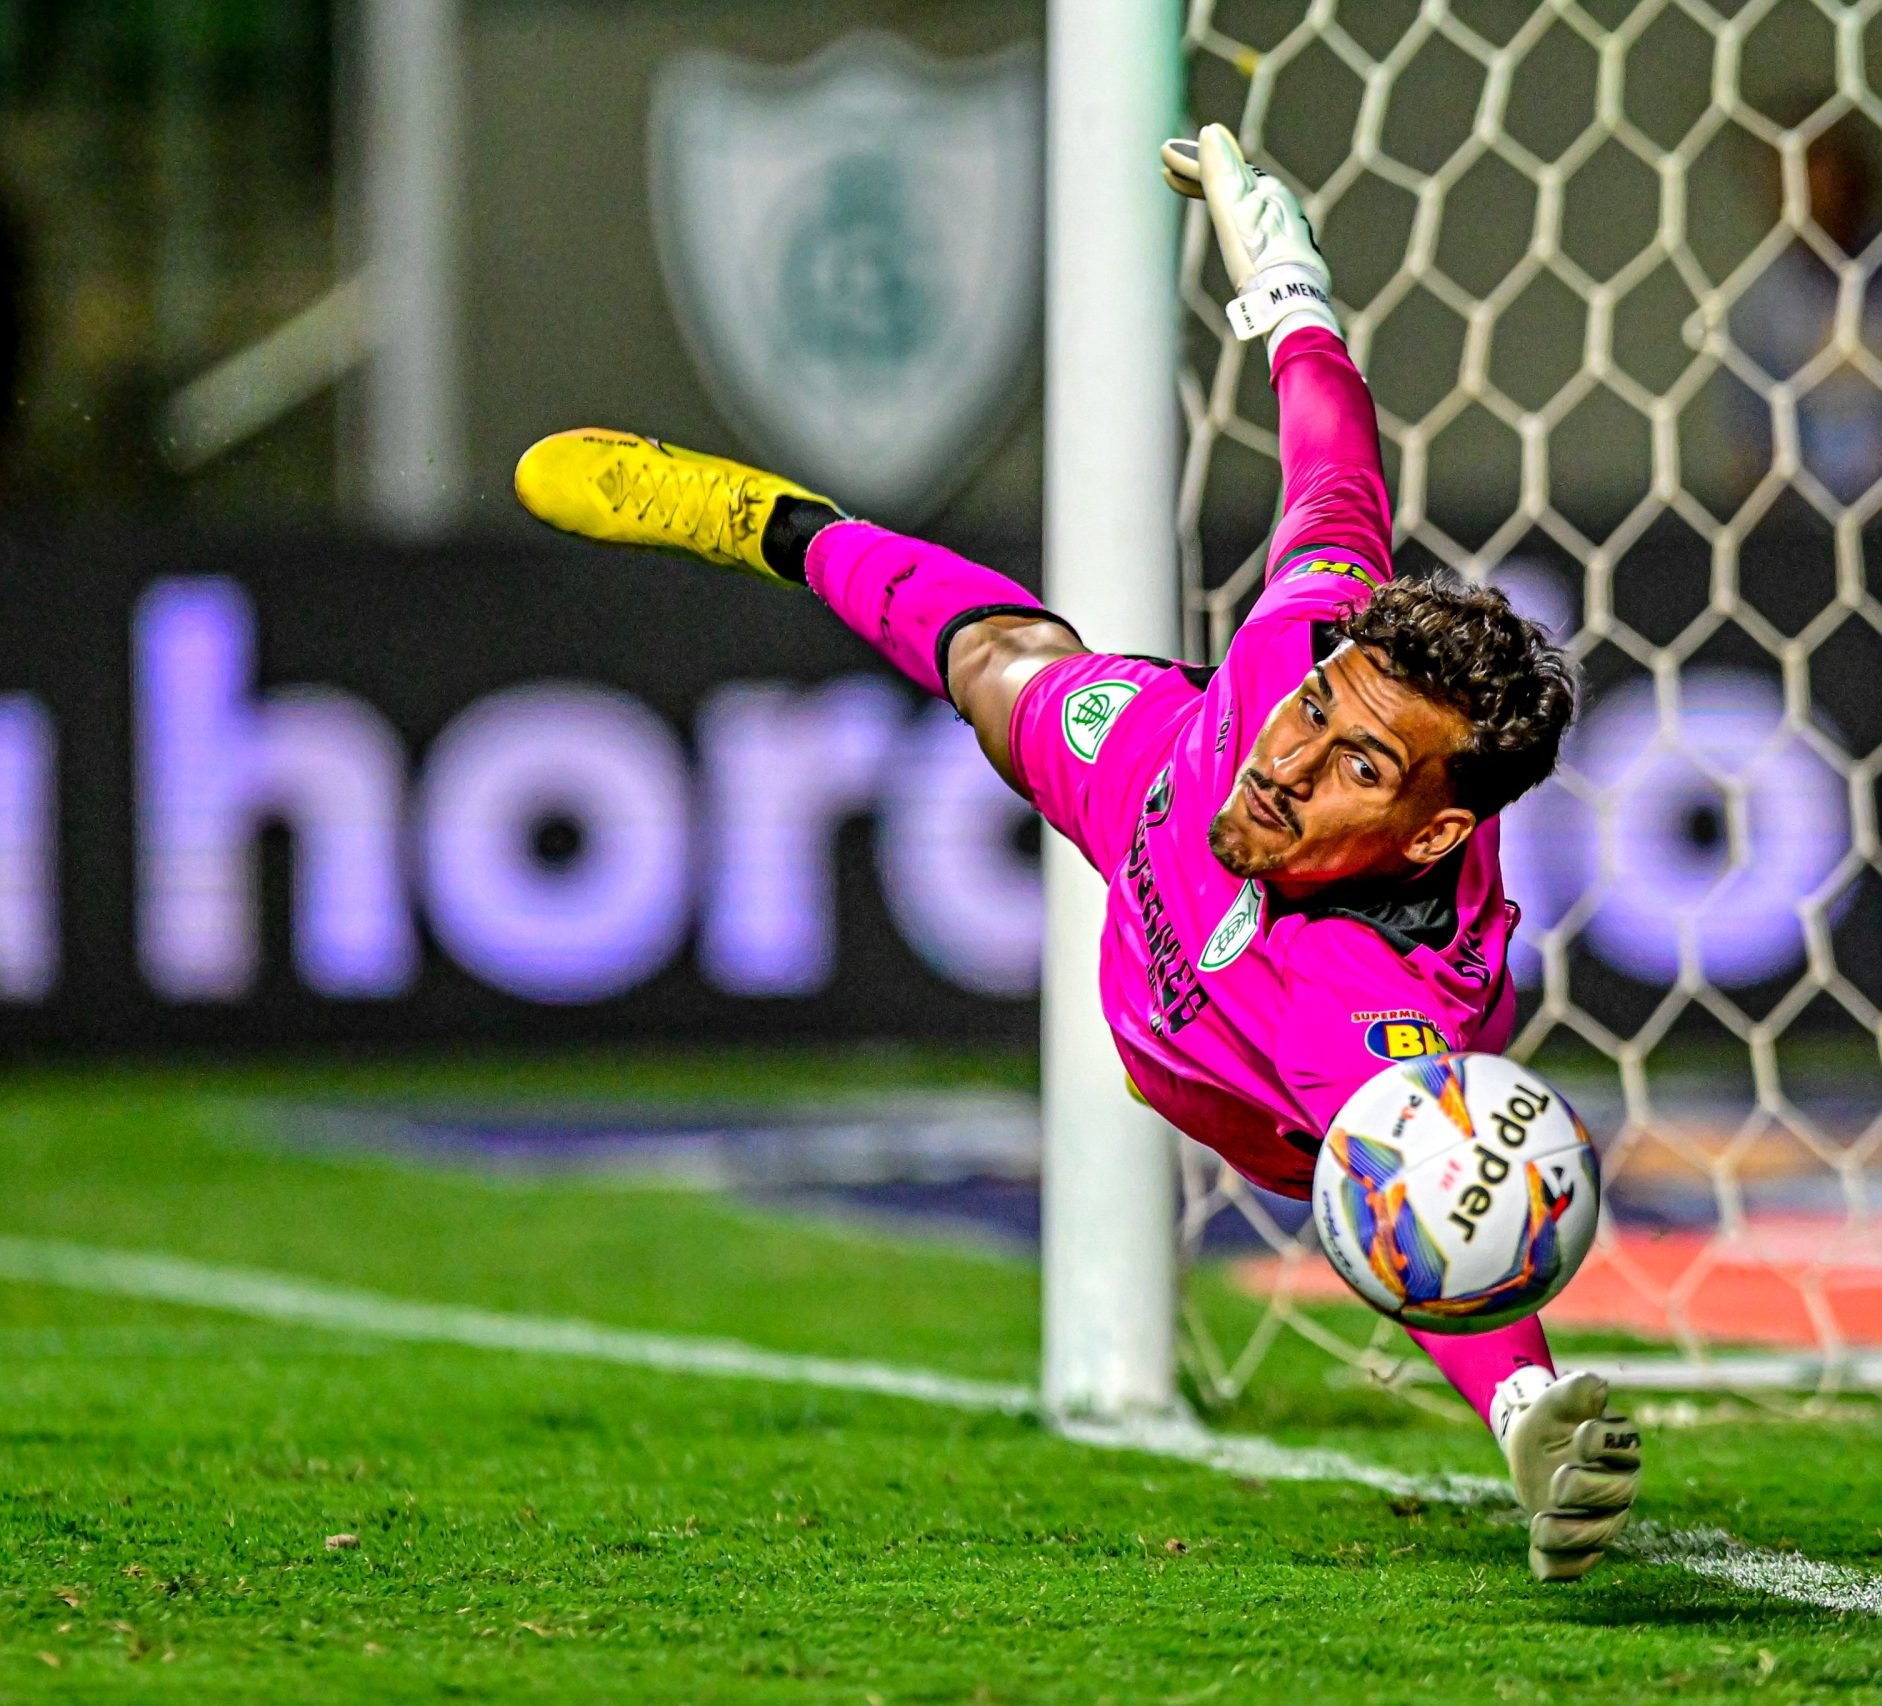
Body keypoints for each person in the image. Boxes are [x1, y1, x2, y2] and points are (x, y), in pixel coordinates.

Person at [513, 125, 1641, 1581]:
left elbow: (1444, 1212)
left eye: (1357, 763)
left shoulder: (1368, 1016)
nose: (1291, 758)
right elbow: (1331, 459)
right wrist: (1286, 279)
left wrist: (1532, 1413)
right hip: (1158, 793)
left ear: (1431, 829)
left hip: (1218, 1049)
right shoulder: (1305, 639)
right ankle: (764, 517)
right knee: (999, 660)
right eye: (1315, 712)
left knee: (1387, 1183)